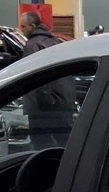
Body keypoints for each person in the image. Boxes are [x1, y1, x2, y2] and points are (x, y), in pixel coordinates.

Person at [17, 11, 75, 148]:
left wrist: (46, 100)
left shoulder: (32, 45)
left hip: (43, 105)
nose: (21, 30)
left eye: (23, 26)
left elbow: (37, 76)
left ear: (32, 26)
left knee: (40, 141)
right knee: (63, 140)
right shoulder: (55, 41)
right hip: (62, 100)